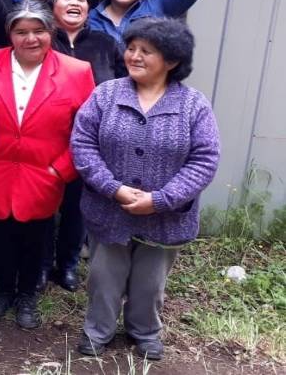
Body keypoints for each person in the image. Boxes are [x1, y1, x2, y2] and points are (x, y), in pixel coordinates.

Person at [71, 18, 220, 360]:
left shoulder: (193, 104)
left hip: (165, 217)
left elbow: (205, 159)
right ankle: (98, 330)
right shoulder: (105, 94)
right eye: (131, 48)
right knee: (104, 276)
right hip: (110, 209)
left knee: (150, 282)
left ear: (172, 60)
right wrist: (113, 188)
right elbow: (83, 146)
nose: (134, 56)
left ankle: (145, 331)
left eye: (146, 51)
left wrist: (161, 199)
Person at [0, 0, 95, 330]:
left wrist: (60, 170)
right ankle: (3, 290)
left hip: (45, 173)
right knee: (1, 235)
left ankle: (27, 295)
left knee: (36, 236)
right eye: (21, 31)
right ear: (10, 34)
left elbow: (86, 131)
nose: (30, 39)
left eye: (38, 30)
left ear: (50, 31)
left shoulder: (75, 71)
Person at [39, 0, 126, 292]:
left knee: (78, 205)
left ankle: (68, 264)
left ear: (89, 8)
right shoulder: (43, 42)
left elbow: (123, 83)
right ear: (52, 7)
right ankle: (42, 264)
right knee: (45, 204)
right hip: (49, 136)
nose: (75, 2)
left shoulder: (106, 42)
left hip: (91, 141)